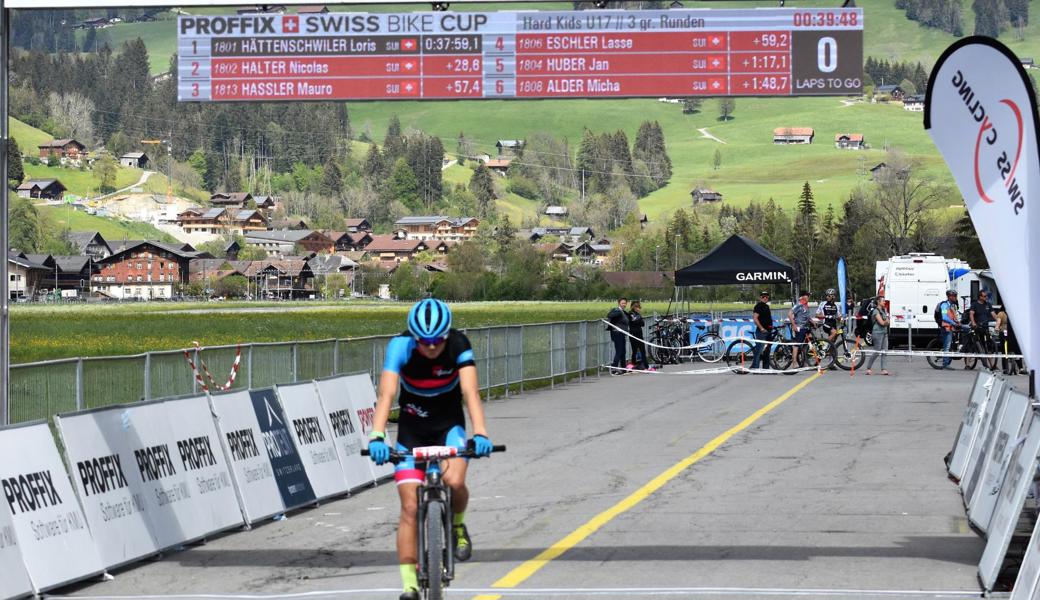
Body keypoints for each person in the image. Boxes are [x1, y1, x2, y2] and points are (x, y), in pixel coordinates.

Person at [367, 298, 493, 600]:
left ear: (447, 335)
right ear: (414, 337)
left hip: (449, 425)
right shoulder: (400, 346)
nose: (432, 347)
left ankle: (458, 526)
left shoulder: (459, 343)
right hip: (413, 430)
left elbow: (470, 392)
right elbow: (386, 394)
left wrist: (481, 433)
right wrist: (376, 436)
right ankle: (409, 583)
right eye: (425, 342)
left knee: (455, 481)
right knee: (409, 507)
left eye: (437, 341)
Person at [864, 291, 890, 375]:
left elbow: (887, 322)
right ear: (878, 302)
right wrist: (886, 321)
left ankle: (884, 369)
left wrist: (886, 321)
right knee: (877, 351)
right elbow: (882, 323)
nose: (884, 302)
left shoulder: (883, 310)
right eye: (883, 301)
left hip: (884, 333)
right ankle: (868, 368)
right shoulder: (876, 311)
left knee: (885, 351)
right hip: (877, 333)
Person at [939, 289, 964, 370]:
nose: (956, 298)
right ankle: (945, 365)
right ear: (950, 297)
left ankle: (948, 362)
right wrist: (953, 323)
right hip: (946, 328)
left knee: (950, 346)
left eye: (955, 296)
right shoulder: (944, 305)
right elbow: (944, 317)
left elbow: (953, 317)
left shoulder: (952, 306)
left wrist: (958, 322)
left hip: (951, 328)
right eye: (954, 296)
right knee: (947, 346)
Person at [606, 297, 630, 375]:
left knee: (623, 351)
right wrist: (616, 312)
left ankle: (623, 368)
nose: (624, 304)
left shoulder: (624, 312)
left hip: (622, 333)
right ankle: (614, 368)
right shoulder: (617, 310)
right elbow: (609, 315)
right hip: (617, 333)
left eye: (625, 303)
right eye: (622, 303)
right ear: (619, 303)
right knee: (619, 351)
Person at [788, 290, 812, 368]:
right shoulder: (799, 304)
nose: (809, 297)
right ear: (803, 296)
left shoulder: (806, 305)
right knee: (797, 344)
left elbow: (807, 317)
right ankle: (794, 362)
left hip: (806, 327)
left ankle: (804, 361)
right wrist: (794, 325)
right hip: (800, 327)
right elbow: (789, 314)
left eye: (809, 296)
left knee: (806, 344)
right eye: (807, 295)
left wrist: (813, 323)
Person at [751, 290, 773, 371]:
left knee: (767, 351)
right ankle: (755, 368)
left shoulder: (767, 306)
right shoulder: (758, 306)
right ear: (760, 297)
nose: (765, 298)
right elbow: (755, 318)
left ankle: (766, 368)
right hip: (761, 331)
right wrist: (761, 328)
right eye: (763, 297)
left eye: (767, 297)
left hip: (768, 331)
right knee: (759, 350)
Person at [628, 301, 648, 370]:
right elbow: (634, 321)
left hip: (639, 333)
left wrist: (638, 320)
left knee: (643, 349)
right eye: (636, 307)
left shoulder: (638, 314)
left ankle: (645, 364)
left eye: (639, 307)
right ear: (634, 307)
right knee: (635, 350)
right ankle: (634, 363)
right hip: (633, 334)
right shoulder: (630, 313)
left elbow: (642, 323)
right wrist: (638, 320)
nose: (638, 308)